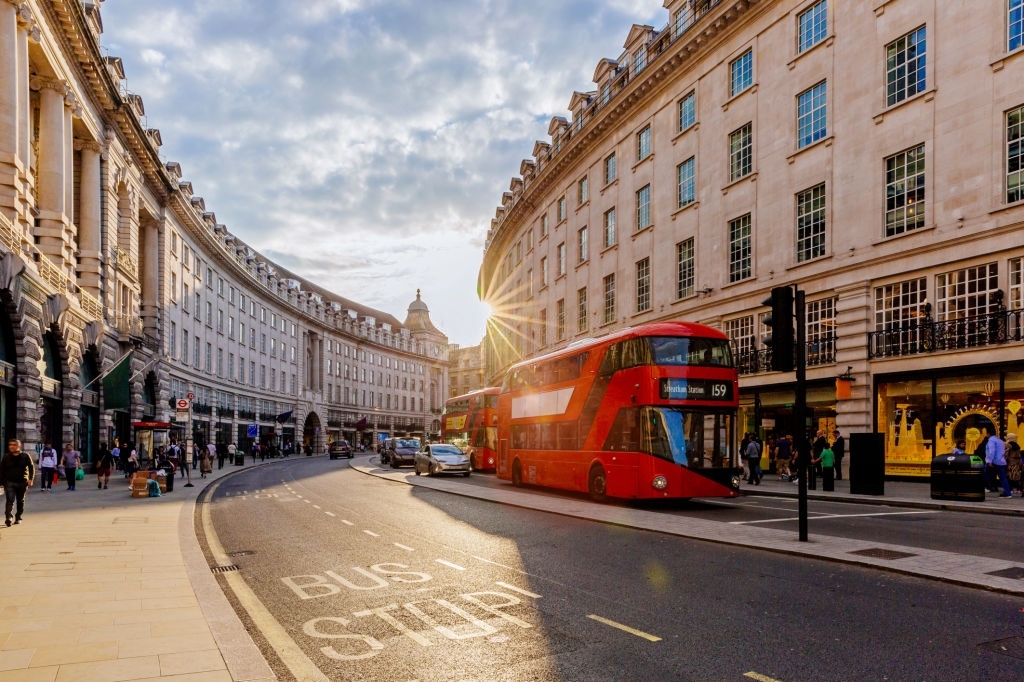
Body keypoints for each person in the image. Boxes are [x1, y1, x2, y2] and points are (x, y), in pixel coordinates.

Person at [1, 439, 35, 526]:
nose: (11, 446)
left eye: (14, 444)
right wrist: (1, 482)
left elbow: (31, 467)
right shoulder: (6, 456)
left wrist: (30, 479)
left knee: (20, 501)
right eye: (10, 444)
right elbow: (1, 470)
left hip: (22, 482)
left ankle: (18, 517)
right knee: (10, 500)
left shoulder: (25, 456)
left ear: (19, 446)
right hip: (9, 482)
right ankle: (8, 518)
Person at [984, 432, 1010, 498]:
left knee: (985, 475)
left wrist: (990, 461)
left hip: (993, 461)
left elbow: (992, 451)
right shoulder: (1000, 441)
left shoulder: (991, 440)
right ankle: (1007, 493)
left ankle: (982, 488)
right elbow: (1003, 451)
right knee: (1003, 478)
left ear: (988, 434)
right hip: (1001, 461)